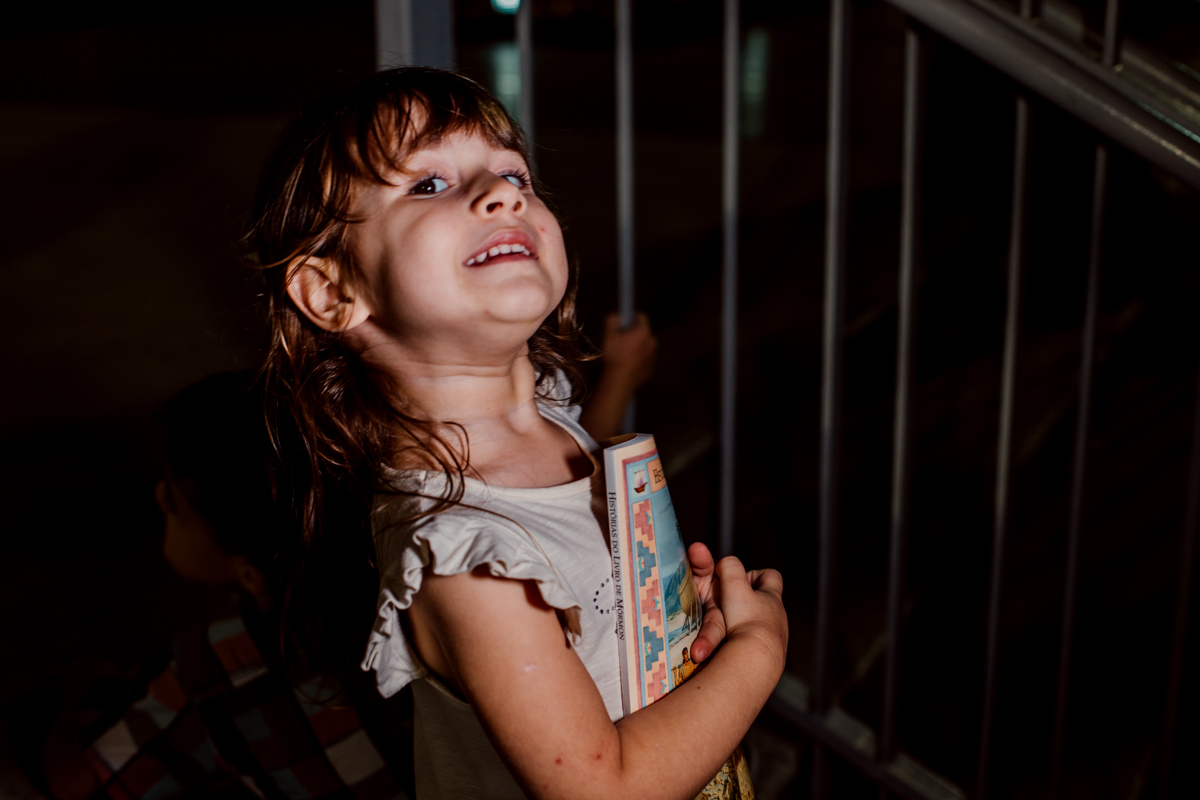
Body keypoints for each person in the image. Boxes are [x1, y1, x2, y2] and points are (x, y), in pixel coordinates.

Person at [245, 67, 787, 800]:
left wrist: (662, 618)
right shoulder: (466, 558)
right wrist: (759, 649)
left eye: (513, 172)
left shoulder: (550, 417)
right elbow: (605, 790)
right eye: (428, 184)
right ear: (332, 291)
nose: (503, 194)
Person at [41, 373, 413, 800]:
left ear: (252, 575)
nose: (159, 495)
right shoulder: (425, 590)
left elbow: (75, 781)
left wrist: (87, 696)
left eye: (175, 506)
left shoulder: (212, 670)